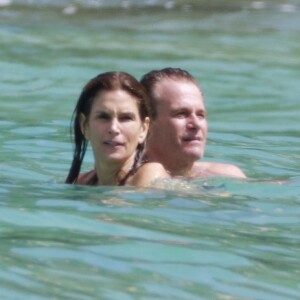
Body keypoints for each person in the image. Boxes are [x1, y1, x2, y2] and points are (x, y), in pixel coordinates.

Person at [65, 71, 170, 187]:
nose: (114, 128)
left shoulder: (151, 176)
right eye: (103, 117)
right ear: (84, 126)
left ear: (143, 129)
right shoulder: (81, 182)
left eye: (126, 118)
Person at [140, 67, 246, 178]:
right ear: (146, 125)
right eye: (181, 114)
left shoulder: (228, 174)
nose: (196, 124)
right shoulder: (131, 180)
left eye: (200, 115)